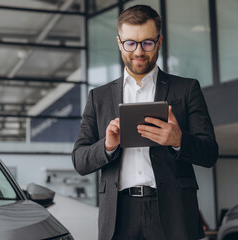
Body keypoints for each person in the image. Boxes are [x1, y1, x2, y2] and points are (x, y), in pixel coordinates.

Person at [72, 5, 218, 240]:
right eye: (130, 43)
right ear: (119, 43)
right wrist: (107, 146)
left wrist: (178, 140)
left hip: (173, 212)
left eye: (147, 43)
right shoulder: (98, 97)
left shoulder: (187, 89)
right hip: (119, 215)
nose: (138, 51)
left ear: (159, 42)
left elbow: (210, 152)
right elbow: (79, 160)